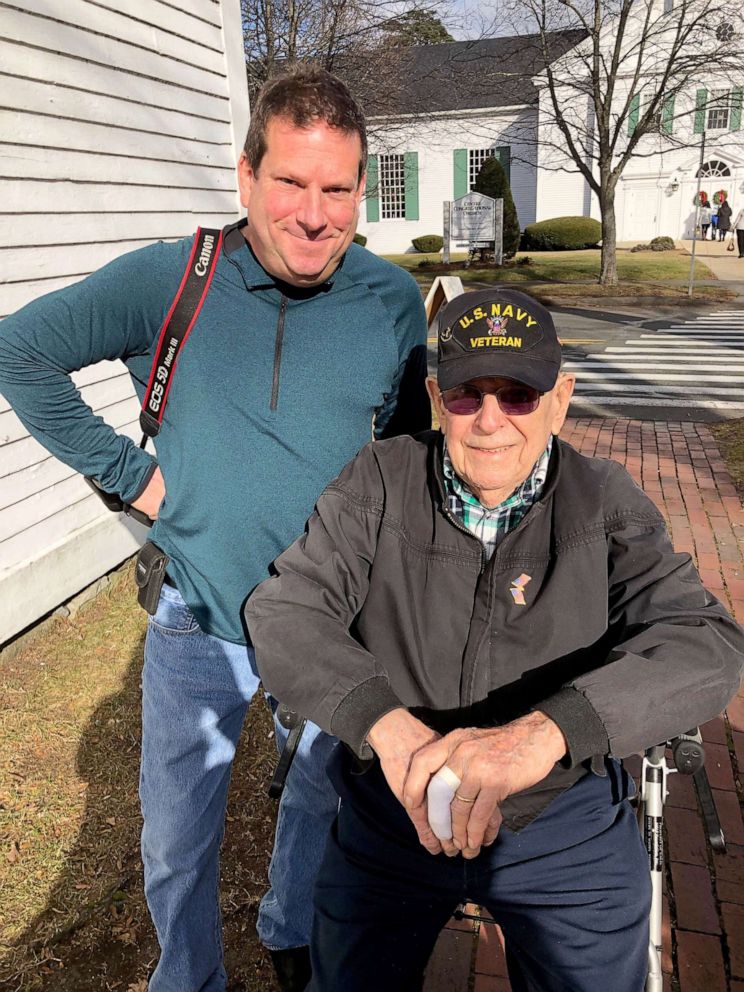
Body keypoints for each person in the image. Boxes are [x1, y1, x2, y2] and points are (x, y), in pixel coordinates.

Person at [0, 68, 430, 992]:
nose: (314, 215)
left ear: (363, 188)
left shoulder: (393, 304)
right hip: (199, 618)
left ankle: (287, 928)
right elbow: (19, 350)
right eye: (290, 182)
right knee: (176, 842)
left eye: (338, 188)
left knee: (318, 804)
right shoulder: (174, 278)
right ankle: (188, 978)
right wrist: (130, 477)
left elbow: (407, 451)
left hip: (332, 628)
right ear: (245, 177)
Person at [245, 287, 744, 992]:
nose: (489, 422)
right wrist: (387, 728)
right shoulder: (379, 481)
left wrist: (544, 735)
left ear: (561, 399)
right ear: (432, 395)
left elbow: (706, 641)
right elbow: (286, 610)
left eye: (518, 395)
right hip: (396, 804)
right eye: (465, 394)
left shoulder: (603, 500)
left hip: (558, 813)